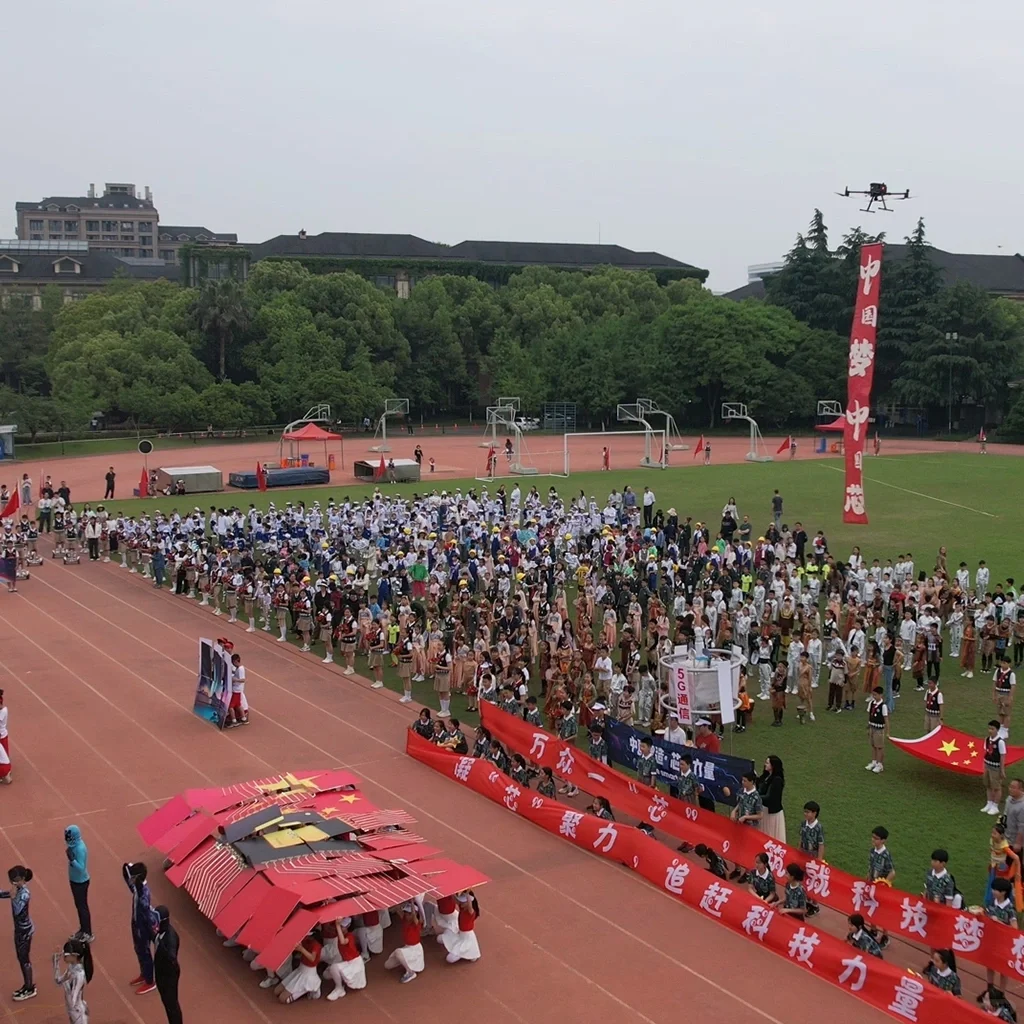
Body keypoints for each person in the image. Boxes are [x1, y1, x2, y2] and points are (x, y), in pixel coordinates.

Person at [123, 862, 158, 995]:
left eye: (133, 876)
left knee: (144, 952)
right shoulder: (138, 887)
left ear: (137, 878)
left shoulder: (144, 893)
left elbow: (147, 915)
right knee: (138, 949)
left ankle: (150, 981)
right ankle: (144, 973)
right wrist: (127, 867)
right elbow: (127, 876)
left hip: (143, 927)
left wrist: (150, 931)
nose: (130, 878)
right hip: (136, 923)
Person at [1, 865, 35, 1001]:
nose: (13, 883)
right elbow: (6, 894)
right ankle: (26, 985)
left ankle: (30, 987)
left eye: (15, 880)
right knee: (21, 958)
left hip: (24, 931)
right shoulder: (18, 889)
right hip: (19, 929)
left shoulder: (24, 894)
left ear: (22, 879)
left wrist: (13, 896)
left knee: (24, 959)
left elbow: (18, 910)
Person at [274, 929, 322, 1003]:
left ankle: (311, 986)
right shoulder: (304, 941)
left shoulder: (316, 945)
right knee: (276, 991)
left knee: (283, 999)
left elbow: (312, 958)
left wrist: (301, 949)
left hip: (309, 974)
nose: (305, 937)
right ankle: (307, 987)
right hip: (300, 970)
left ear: (313, 937)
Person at [53, 935, 92, 1024]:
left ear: (74, 956)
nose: (63, 956)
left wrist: (66, 985)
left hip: (77, 1013)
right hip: (72, 1011)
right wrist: (56, 963)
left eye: (65, 954)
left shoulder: (79, 975)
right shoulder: (71, 968)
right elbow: (58, 981)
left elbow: (73, 999)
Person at [323, 918, 366, 1000]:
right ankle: (341, 980)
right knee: (326, 974)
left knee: (334, 967)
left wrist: (337, 925)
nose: (341, 928)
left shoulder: (350, 936)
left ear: (348, 926)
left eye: (342, 926)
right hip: (347, 961)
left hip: (355, 963)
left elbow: (343, 941)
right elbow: (330, 930)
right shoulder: (339, 934)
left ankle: (339, 988)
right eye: (340, 926)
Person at [153, 906, 182, 1024]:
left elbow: (172, 956)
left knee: (171, 1003)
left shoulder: (170, 937)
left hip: (169, 975)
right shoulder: (159, 931)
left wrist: (162, 944)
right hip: (161, 971)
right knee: (165, 1001)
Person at [384, 903, 425, 984]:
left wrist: (412, 901)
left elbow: (414, 915)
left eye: (409, 913)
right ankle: (405, 961)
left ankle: (410, 972)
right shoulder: (404, 920)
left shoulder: (417, 924)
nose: (406, 915)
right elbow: (397, 908)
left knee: (397, 951)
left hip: (415, 949)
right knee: (387, 965)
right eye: (406, 912)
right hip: (407, 947)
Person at [64, 826, 92, 942]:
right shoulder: (74, 846)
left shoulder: (80, 848)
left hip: (81, 882)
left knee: (82, 907)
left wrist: (72, 860)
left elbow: (81, 868)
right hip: (74, 880)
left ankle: (88, 933)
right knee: (79, 906)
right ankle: (83, 929)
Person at [440, 891, 481, 964]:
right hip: (460, 935)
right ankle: (467, 953)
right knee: (440, 939)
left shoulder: (471, 912)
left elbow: (470, 906)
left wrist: (468, 893)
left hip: (467, 936)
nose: (461, 903)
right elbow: (455, 899)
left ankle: (469, 953)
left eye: (463, 902)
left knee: (449, 959)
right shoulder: (462, 908)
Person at [757, 755, 786, 841]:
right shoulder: (766, 776)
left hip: (771, 814)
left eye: (767, 763)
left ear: (773, 766)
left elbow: (769, 797)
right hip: (764, 810)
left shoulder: (777, 780)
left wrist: (755, 797)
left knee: (771, 837)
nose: (765, 764)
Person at [984, 719, 1008, 815]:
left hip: (995, 766)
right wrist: (984, 766)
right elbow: (985, 753)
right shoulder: (987, 739)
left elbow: (1002, 756)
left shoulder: (1000, 742)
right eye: (989, 728)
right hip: (987, 764)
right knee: (988, 785)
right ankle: (989, 803)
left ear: (997, 730)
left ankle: (995, 805)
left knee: (996, 787)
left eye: (992, 729)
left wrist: (1002, 770)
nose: (990, 731)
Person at [865, 685, 889, 774]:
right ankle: (874, 761)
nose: (874, 697)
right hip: (872, 727)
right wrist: (868, 726)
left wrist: (887, 731)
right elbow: (869, 715)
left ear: (880, 695)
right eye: (873, 695)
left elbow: (886, 719)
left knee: (879, 747)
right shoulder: (871, 703)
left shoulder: (883, 706)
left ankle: (880, 764)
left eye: (875, 695)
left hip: (879, 729)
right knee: (873, 745)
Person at [0, 689, 10, 784]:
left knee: (3, 756)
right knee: (4, 756)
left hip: (1, 736)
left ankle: (5, 774)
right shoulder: (5, 710)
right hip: (3, 735)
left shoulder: (2, 712)